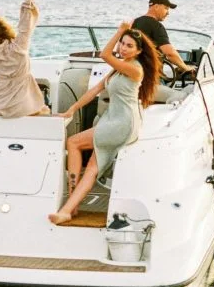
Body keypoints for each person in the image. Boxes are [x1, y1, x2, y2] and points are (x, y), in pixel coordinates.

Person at [48, 23, 160, 225]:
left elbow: (105, 55)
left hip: (123, 122)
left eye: (129, 46)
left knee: (74, 143)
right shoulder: (117, 70)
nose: (123, 48)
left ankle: (69, 208)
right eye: (122, 43)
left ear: (139, 51)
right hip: (113, 119)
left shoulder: (134, 68)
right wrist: (71, 110)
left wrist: (120, 31)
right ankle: (69, 209)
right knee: (90, 166)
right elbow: (96, 90)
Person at [132, 0, 197, 76]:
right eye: (166, 8)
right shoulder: (156, 26)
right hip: (150, 78)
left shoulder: (134, 22)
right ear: (156, 7)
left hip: (133, 73)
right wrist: (185, 67)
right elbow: (170, 53)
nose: (168, 13)